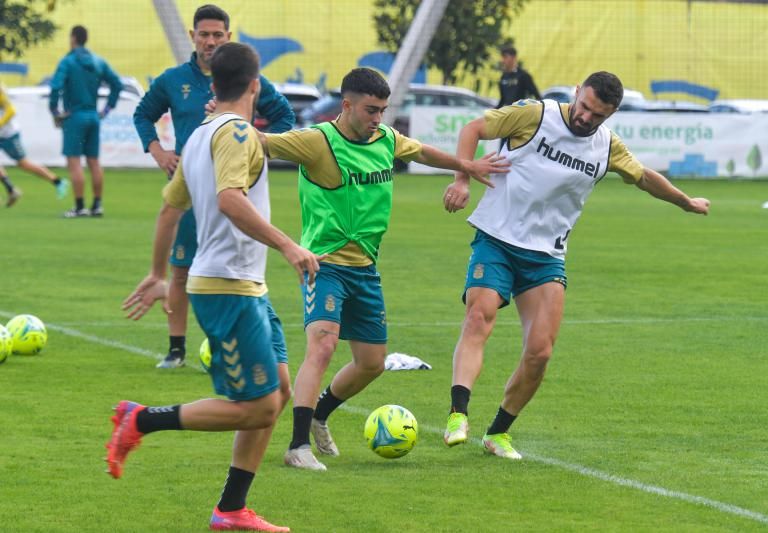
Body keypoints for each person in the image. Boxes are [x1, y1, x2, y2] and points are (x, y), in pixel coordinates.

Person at [442, 71, 710, 459]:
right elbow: (473, 129)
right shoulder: (535, 115)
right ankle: (458, 414)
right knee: (479, 317)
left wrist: (685, 202)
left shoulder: (606, 146)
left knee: (540, 353)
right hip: (497, 239)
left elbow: (643, 177)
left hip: (546, 256)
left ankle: (497, 433)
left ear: (611, 113)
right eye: (584, 107)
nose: (586, 118)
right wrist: (462, 178)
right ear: (576, 92)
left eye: (598, 114)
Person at [254, 67, 510, 471]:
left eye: (383, 111)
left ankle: (320, 415)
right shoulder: (318, 141)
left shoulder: (386, 139)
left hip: (366, 268)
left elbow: (422, 152)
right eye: (371, 110)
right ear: (347, 105)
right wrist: (226, 124)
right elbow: (263, 143)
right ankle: (297, 445)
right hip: (323, 263)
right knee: (322, 345)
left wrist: (466, 166)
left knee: (372, 363)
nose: (378, 118)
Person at [113, 42, 319, 532]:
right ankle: (141, 419)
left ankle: (231, 509)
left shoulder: (200, 134)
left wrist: (158, 273)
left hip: (246, 285)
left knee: (279, 393)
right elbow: (230, 199)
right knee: (259, 406)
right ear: (255, 86)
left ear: (213, 84)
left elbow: (170, 208)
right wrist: (288, 245)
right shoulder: (237, 133)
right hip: (226, 285)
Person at [134, 3, 294, 370]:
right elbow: (143, 113)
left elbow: (285, 117)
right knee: (181, 268)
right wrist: (158, 151)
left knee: (233, 264)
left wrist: (257, 143)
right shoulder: (173, 80)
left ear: (228, 37)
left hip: (233, 187)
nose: (210, 41)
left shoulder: (247, 80)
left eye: (217, 35)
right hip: (193, 189)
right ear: (192, 36)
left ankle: (235, 348)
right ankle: (176, 349)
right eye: (204, 35)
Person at [49, 25, 122, 218]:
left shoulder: (68, 61)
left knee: (74, 162)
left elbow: (55, 86)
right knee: (94, 162)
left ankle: (80, 206)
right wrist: (107, 108)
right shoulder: (98, 61)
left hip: (74, 116)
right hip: (93, 116)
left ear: (73, 38)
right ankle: (97, 205)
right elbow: (117, 83)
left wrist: (55, 111)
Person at [0, 82, 70, 207]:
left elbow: (11, 111)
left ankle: (58, 181)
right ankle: (10, 189)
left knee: (23, 163)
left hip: (8, 134)